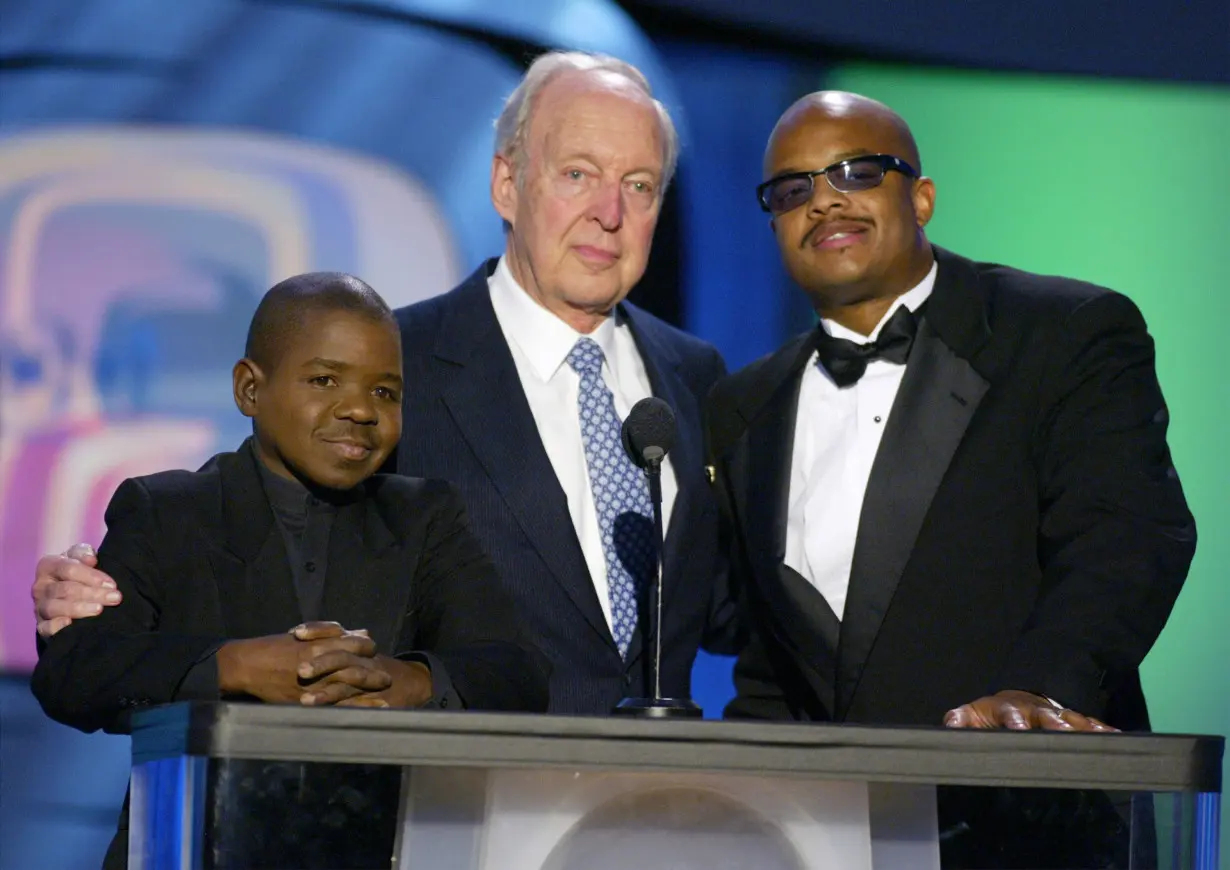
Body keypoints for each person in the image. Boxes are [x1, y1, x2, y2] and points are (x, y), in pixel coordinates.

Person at [32, 52, 741, 716]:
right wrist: (106, 602)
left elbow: (728, 604)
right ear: (506, 184)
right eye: (578, 175)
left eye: (639, 186)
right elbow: (260, 548)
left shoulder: (696, 377)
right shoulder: (391, 370)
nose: (609, 214)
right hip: (448, 818)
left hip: (654, 811)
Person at [707, 90, 1194, 866]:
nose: (825, 198)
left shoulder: (1064, 332)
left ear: (922, 196)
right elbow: (772, 657)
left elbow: (1126, 536)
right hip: (830, 840)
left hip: (1033, 829)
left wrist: (1042, 693)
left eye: (858, 171)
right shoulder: (743, 408)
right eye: (792, 190)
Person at [32, 273, 549, 868]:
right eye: (324, 379)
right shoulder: (168, 511)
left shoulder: (424, 517)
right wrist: (234, 667)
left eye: (385, 392)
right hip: (197, 846)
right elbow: (74, 673)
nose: (359, 409)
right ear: (250, 390)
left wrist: (399, 683)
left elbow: (516, 674)